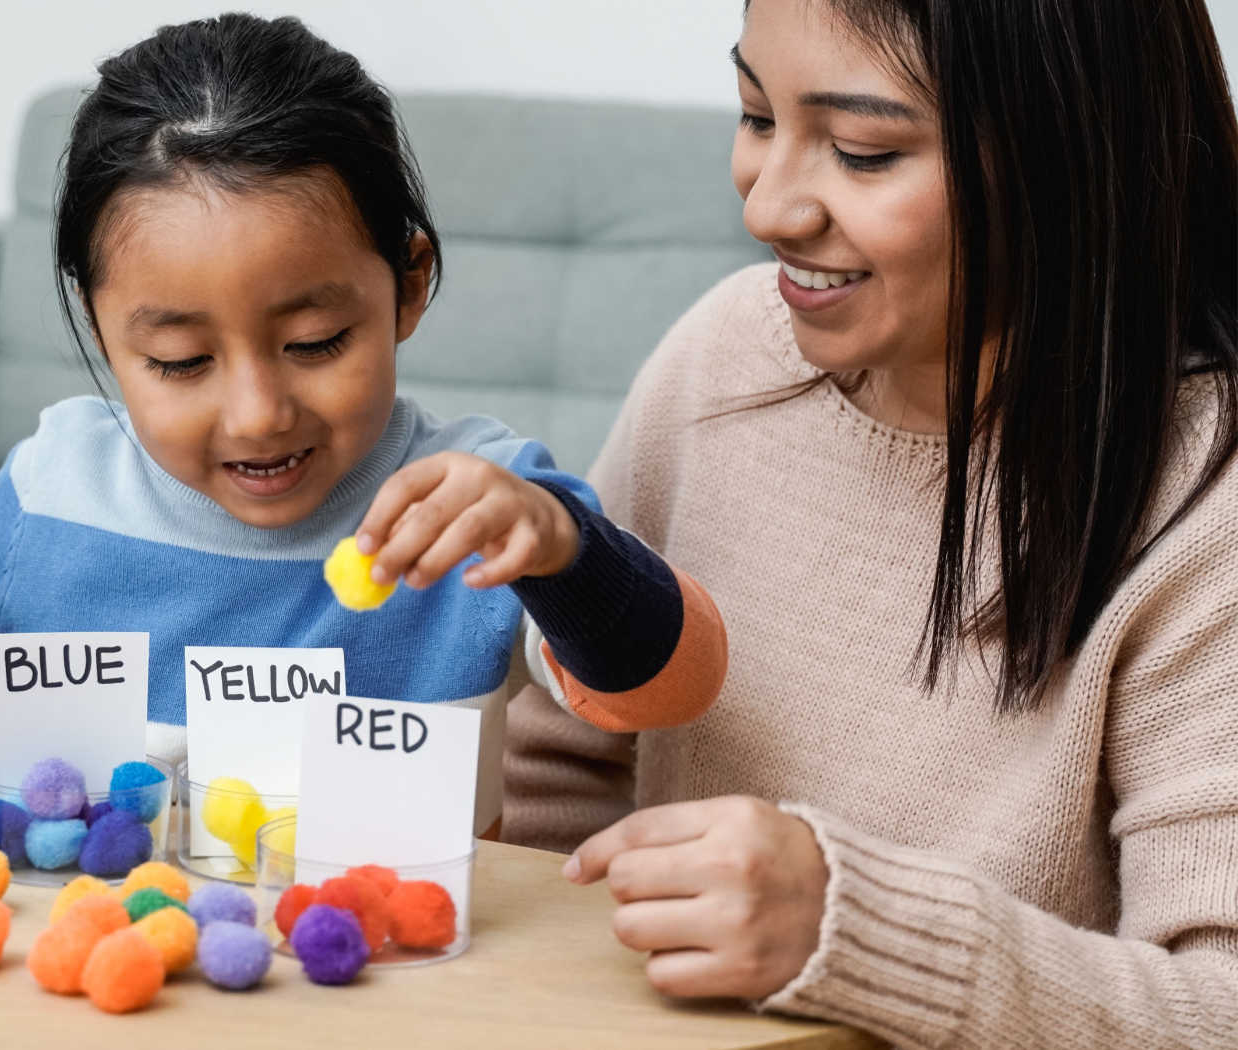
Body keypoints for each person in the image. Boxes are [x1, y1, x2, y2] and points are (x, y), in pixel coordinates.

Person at [0, 13, 728, 834]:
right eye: (181, 362)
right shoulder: (57, 487)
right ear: (104, 332)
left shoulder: (476, 504)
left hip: (379, 961)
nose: (258, 414)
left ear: (408, 285)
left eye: (315, 341)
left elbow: (670, 692)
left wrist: (562, 549)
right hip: (111, 959)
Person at [505, 0, 1238, 1044]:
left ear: (1068, 159)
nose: (768, 210)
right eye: (756, 116)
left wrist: (857, 936)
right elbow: (565, 762)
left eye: (861, 150)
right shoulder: (724, 354)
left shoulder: (1207, 499)